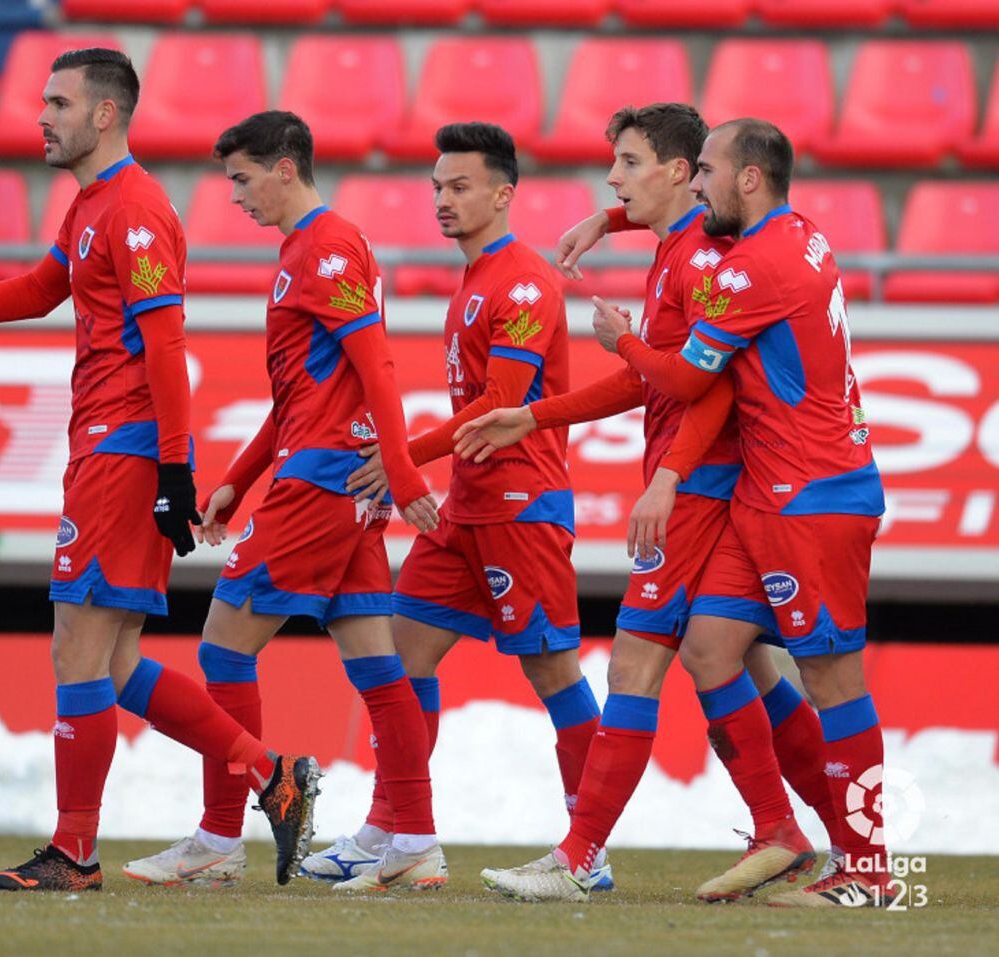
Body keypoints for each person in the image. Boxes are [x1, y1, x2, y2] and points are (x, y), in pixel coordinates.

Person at [0, 51, 317, 891]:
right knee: (118, 662)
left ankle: (75, 852)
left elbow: (167, 343)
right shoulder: (93, 206)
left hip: (124, 450)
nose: (42, 115)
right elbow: (39, 289)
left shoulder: (133, 209)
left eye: (59, 102)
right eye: (43, 100)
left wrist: (175, 468)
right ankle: (269, 773)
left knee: (78, 650)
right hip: (108, 446)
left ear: (105, 116)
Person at [456, 105, 835, 903]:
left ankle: (581, 854)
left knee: (635, 663)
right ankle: (819, 836)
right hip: (704, 484)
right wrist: (537, 413)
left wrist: (667, 478)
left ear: (677, 173)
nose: (613, 178)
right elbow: (646, 379)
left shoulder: (701, 260)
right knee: (736, 661)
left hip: (699, 488)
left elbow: (710, 386)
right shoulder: (678, 248)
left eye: (628, 164)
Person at [122, 110, 446, 893]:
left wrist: (402, 473)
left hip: (325, 482)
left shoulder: (325, 247)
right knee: (378, 664)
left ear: (286, 168)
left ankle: (219, 835)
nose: (235, 197)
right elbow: (301, 391)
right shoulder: (310, 248)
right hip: (331, 477)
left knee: (222, 647)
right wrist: (237, 475)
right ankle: (415, 836)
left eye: (242, 179)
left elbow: (379, 367)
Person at [582, 118, 890, 908]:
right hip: (773, 491)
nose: (698, 185)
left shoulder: (754, 268)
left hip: (811, 493)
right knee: (712, 648)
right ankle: (785, 833)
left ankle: (869, 871)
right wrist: (612, 216)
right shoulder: (803, 234)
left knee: (833, 678)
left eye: (709, 171)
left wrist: (620, 340)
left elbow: (684, 382)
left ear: (748, 180)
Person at [299, 121, 611, 890]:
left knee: (554, 672)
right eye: (437, 186)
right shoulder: (472, 282)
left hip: (522, 507)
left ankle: (589, 848)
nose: (443, 199)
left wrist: (403, 461)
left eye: (460, 185)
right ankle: (394, 826)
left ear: (504, 194)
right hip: (465, 509)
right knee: (401, 661)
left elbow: (501, 404)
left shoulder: (526, 282)